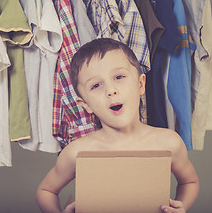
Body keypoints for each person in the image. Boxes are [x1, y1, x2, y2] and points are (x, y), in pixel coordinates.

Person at [36, 38, 199, 213]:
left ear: (140, 84)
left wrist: (182, 206)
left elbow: (189, 182)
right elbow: (45, 191)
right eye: (96, 85)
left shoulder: (169, 143)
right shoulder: (77, 152)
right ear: (85, 105)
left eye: (119, 77)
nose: (111, 90)